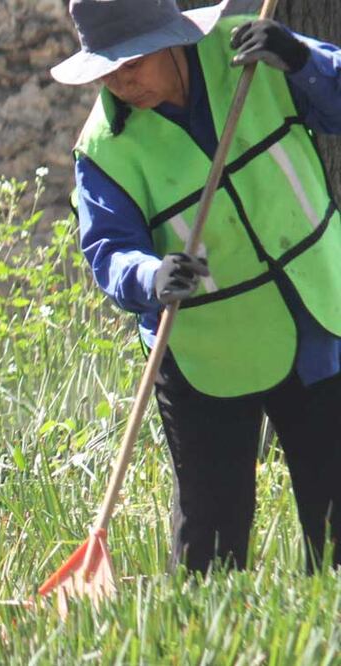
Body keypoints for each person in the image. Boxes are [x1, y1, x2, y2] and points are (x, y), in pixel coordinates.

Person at [53, 0, 341, 575]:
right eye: (106, 67)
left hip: (314, 316)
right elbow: (108, 248)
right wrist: (150, 275)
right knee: (208, 548)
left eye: (131, 62)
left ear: (171, 39)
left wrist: (301, 57)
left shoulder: (252, 55)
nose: (120, 79)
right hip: (204, 352)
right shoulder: (104, 147)